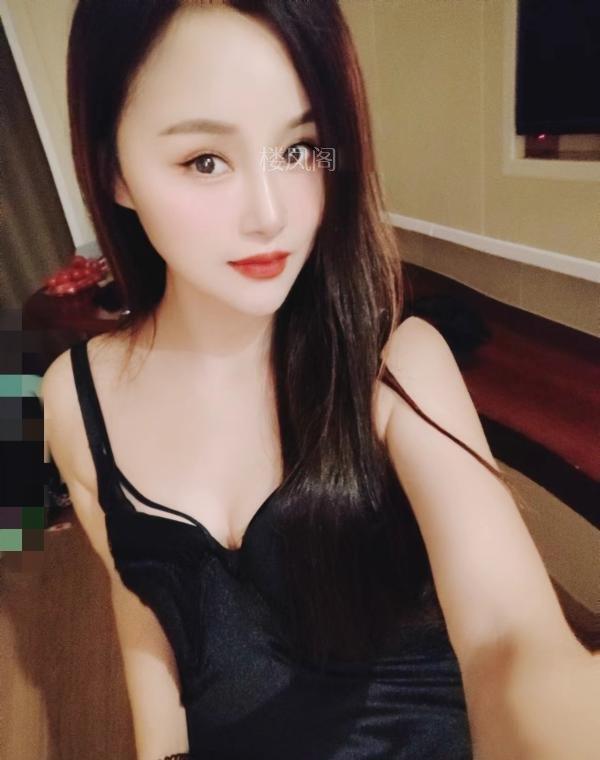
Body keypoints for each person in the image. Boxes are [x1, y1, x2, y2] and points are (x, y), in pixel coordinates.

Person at [41, 2, 599, 759]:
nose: (270, 214)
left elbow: (510, 639)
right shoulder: (70, 399)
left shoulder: (397, 364)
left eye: (300, 149)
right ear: (114, 172)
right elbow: (145, 601)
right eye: (205, 161)